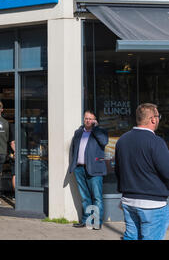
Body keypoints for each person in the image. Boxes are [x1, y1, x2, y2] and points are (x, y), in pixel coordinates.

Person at [115, 103, 169, 240]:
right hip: (153, 204)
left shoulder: (122, 141)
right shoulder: (156, 142)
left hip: (129, 200)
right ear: (153, 119)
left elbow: (118, 171)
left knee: (131, 237)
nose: (158, 119)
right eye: (158, 116)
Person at [69, 110, 108, 229]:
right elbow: (74, 150)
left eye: (91, 119)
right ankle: (86, 220)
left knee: (97, 197)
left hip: (95, 169)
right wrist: (73, 165)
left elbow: (104, 142)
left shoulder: (101, 132)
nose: (88, 121)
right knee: (85, 197)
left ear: (95, 120)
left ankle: (96, 222)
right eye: (86, 118)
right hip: (79, 169)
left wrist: (95, 128)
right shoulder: (78, 132)